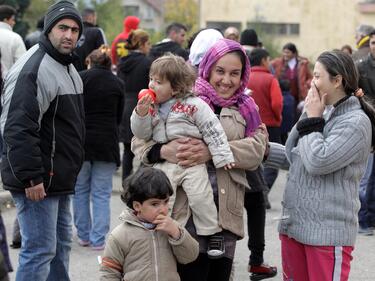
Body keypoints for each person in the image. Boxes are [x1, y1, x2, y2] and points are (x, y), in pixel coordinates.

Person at [132, 38, 267, 281]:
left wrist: (213, 152)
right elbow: (138, 142)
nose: (226, 80)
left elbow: (259, 149)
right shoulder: (180, 101)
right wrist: (163, 151)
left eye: (234, 73)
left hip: (224, 217)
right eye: (220, 71)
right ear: (207, 68)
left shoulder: (247, 107)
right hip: (183, 214)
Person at [265, 50, 375, 281]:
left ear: (337, 81)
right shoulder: (319, 111)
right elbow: (297, 158)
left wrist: (313, 119)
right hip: (295, 227)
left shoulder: (356, 122)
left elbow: (318, 161)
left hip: (327, 234)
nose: (311, 83)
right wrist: (262, 151)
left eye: (317, 76)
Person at [0, 1, 85, 280]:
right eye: (62, 28)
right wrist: (31, 177)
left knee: (59, 247)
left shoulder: (67, 65)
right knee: (39, 251)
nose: (69, 35)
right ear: (49, 29)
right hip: (38, 180)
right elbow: (16, 128)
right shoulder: (34, 68)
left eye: (74, 29)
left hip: (56, 178)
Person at [131, 54, 235, 257]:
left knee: (201, 197)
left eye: (159, 82)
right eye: (151, 79)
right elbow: (141, 135)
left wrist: (223, 156)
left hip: (192, 164)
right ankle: (154, 229)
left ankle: (212, 231)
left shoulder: (194, 105)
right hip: (165, 163)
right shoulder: (150, 106)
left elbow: (212, 130)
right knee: (160, 196)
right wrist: (141, 114)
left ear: (176, 88)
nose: (152, 85)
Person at [100, 167, 199, 280]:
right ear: (137, 206)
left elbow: (190, 257)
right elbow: (109, 273)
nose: (163, 209)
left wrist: (177, 234)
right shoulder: (120, 235)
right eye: (155, 204)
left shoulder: (172, 228)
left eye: (166, 202)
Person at [73, 45, 124, 250]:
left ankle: (83, 235)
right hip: (106, 142)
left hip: (81, 141)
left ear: (89, 62)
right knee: (102, 193)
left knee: (80, 190)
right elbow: (119, 116)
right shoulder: (117, 83)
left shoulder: (79, 78)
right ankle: (98, 239)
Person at [117, 29, 152, 180]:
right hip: (141, 106)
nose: (150, 46)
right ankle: (140, 182)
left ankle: (126, 183)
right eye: (148, 43)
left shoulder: (122, 62)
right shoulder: (147, 62)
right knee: (144, 149)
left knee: (127, 150)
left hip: (124, 105)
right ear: (143, 44)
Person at [357, 29, 375, 235]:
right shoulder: (361, 68)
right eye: (372, 42)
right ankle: (364, 219)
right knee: (367, 176)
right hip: (370, 124)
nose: (374, 45)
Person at [0, 5, 26, 81]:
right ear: (5, 20)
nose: (14, 23)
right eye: (12, 19)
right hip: (7, 85)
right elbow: (22, 64)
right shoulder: (15, 38)